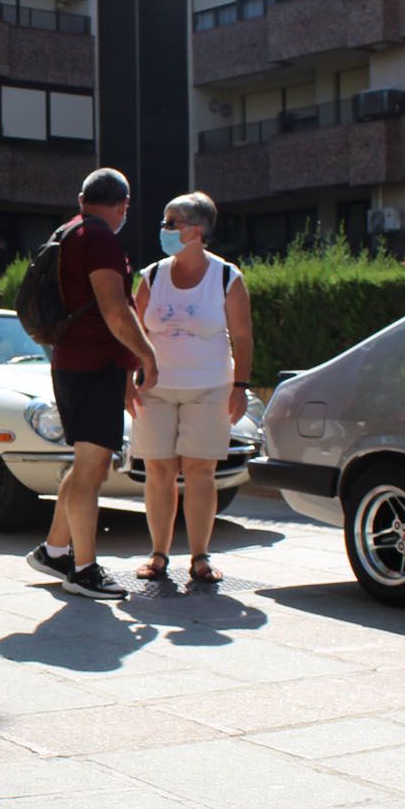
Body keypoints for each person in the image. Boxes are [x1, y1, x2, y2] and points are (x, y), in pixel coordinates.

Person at [24, 168, 159, 600]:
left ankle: (55, 549)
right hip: (92, 367)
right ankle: (84, 570)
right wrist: (146, 354)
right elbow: (115, 309)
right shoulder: (98, 237)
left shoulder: (67, 232)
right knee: (90, 470)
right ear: (123, 205)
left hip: (73, 364)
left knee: (86, 464)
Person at [131, 192, 254, 585]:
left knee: (200, 471)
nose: (163, 230)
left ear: (196, 231)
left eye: (171, 223)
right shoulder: (151, 276)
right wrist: (126, 383)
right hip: (155, 388)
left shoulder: (226, 277)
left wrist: (240, 387)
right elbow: (132, 334)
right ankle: (158, 555)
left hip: (210, 387)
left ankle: (200, 557)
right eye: (164, 222)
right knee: (159, 471)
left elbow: (243, 337)